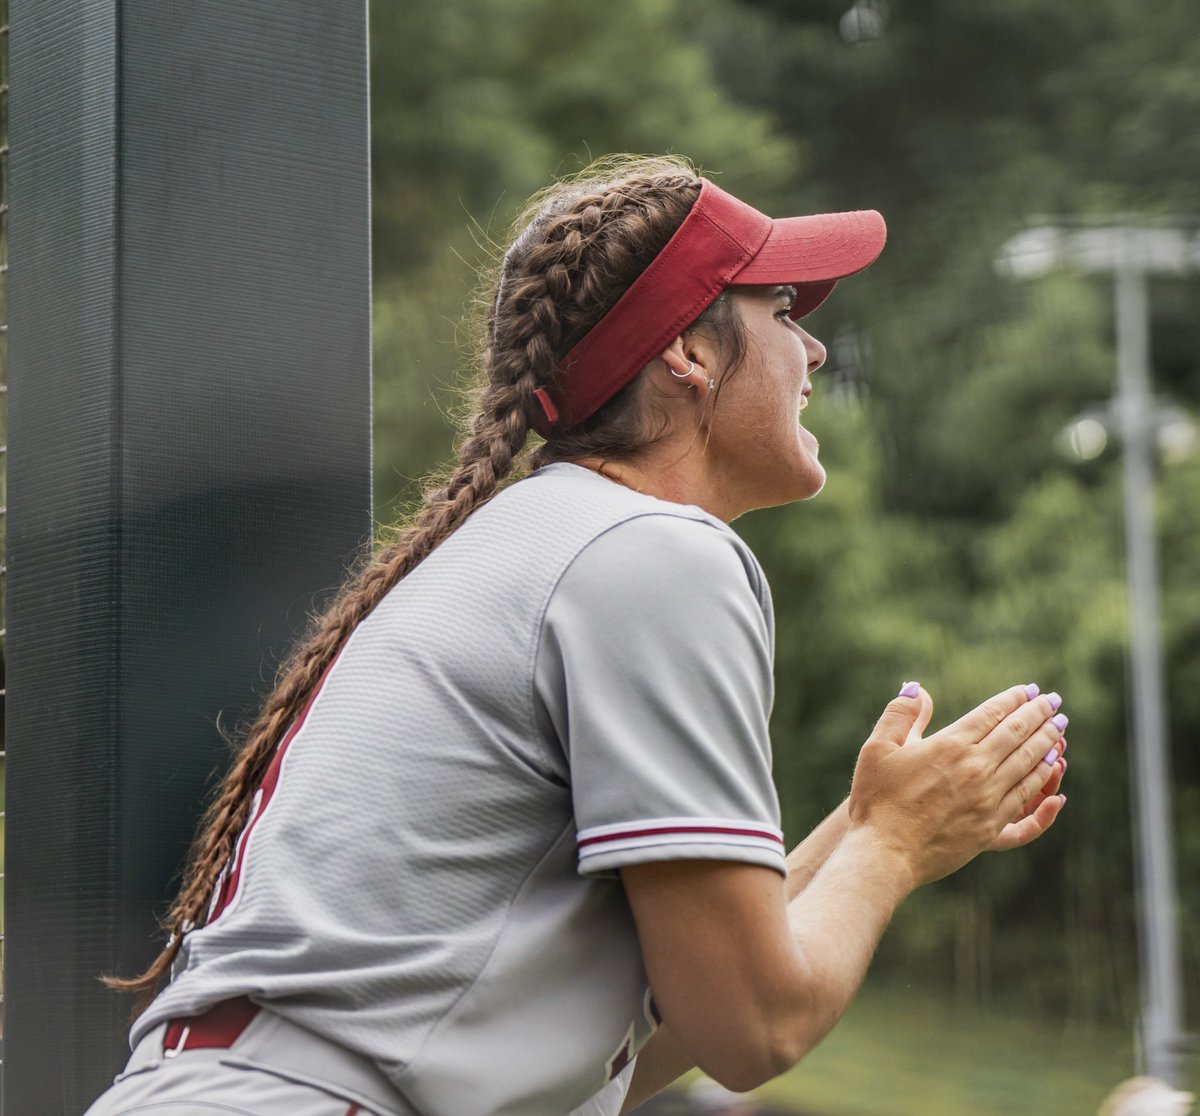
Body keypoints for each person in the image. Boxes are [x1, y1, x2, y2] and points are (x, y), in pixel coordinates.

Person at [86, 155, 1068, 1116]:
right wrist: (891, 847)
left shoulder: (556, 539)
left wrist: (868, 832)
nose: (811, 350)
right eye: (782, 310)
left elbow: (627, 1054)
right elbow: (754, 1030)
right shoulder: (651, 554)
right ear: (687, 349)